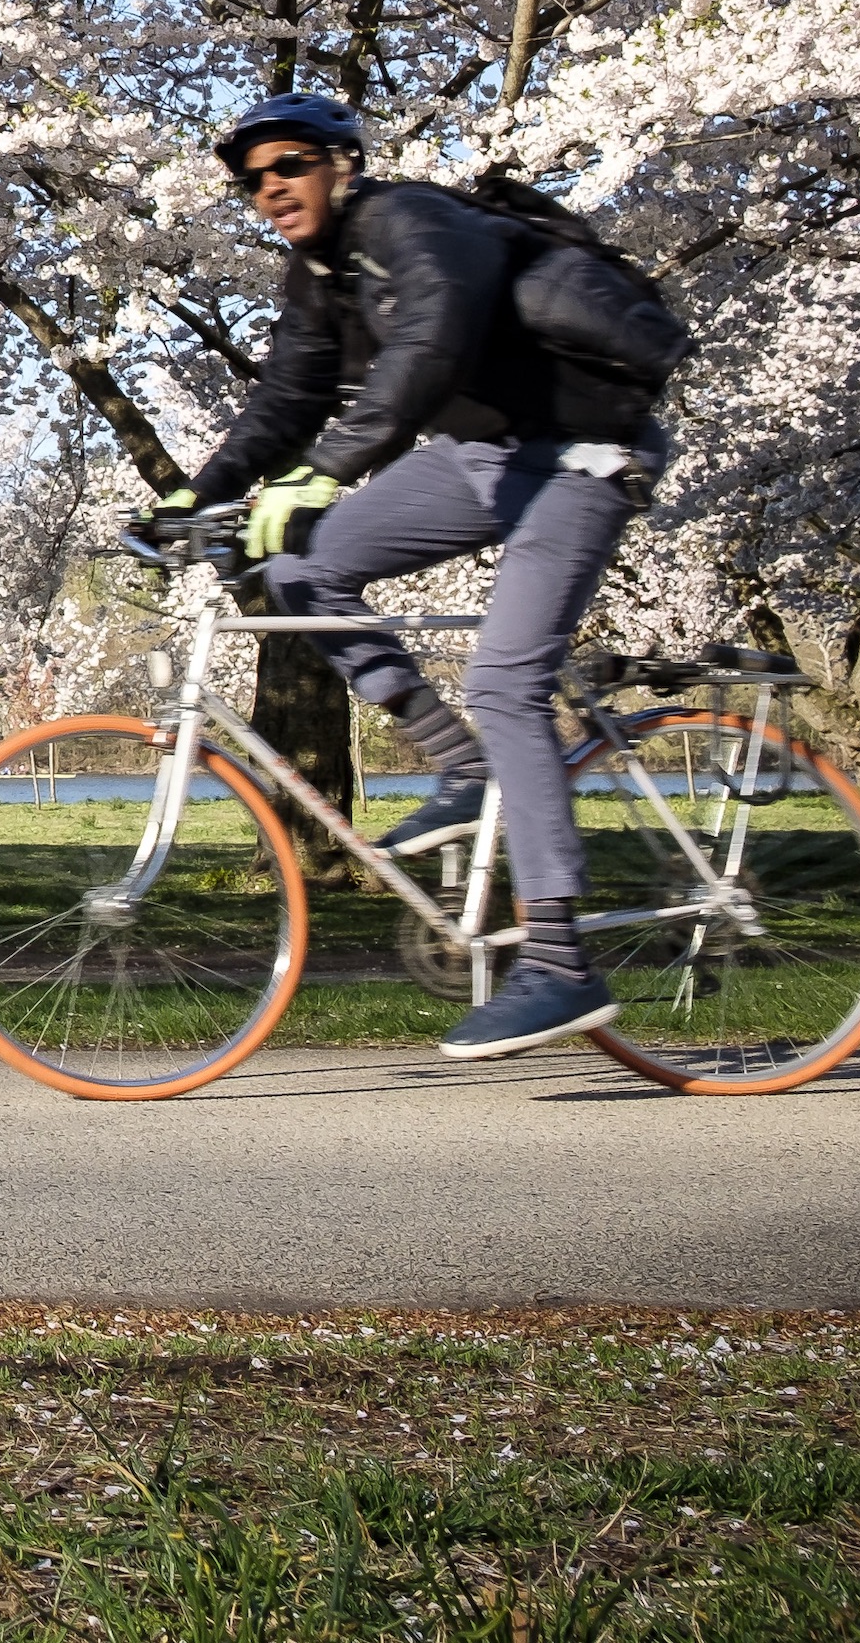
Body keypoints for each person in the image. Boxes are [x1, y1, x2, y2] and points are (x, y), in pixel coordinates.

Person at [157, 94, 668, 1060]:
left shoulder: (415, 221)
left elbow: (431, 343)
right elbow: (288, 398)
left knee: (507, 681)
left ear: (341, 165)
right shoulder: (321, 273)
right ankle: (462, 767)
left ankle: (560, 963)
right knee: (303, 567)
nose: (269, 189)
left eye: (288, 166)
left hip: (586, 451)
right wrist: (197, 495)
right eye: (251, 179)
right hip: (488, 454)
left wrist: (326, 471)